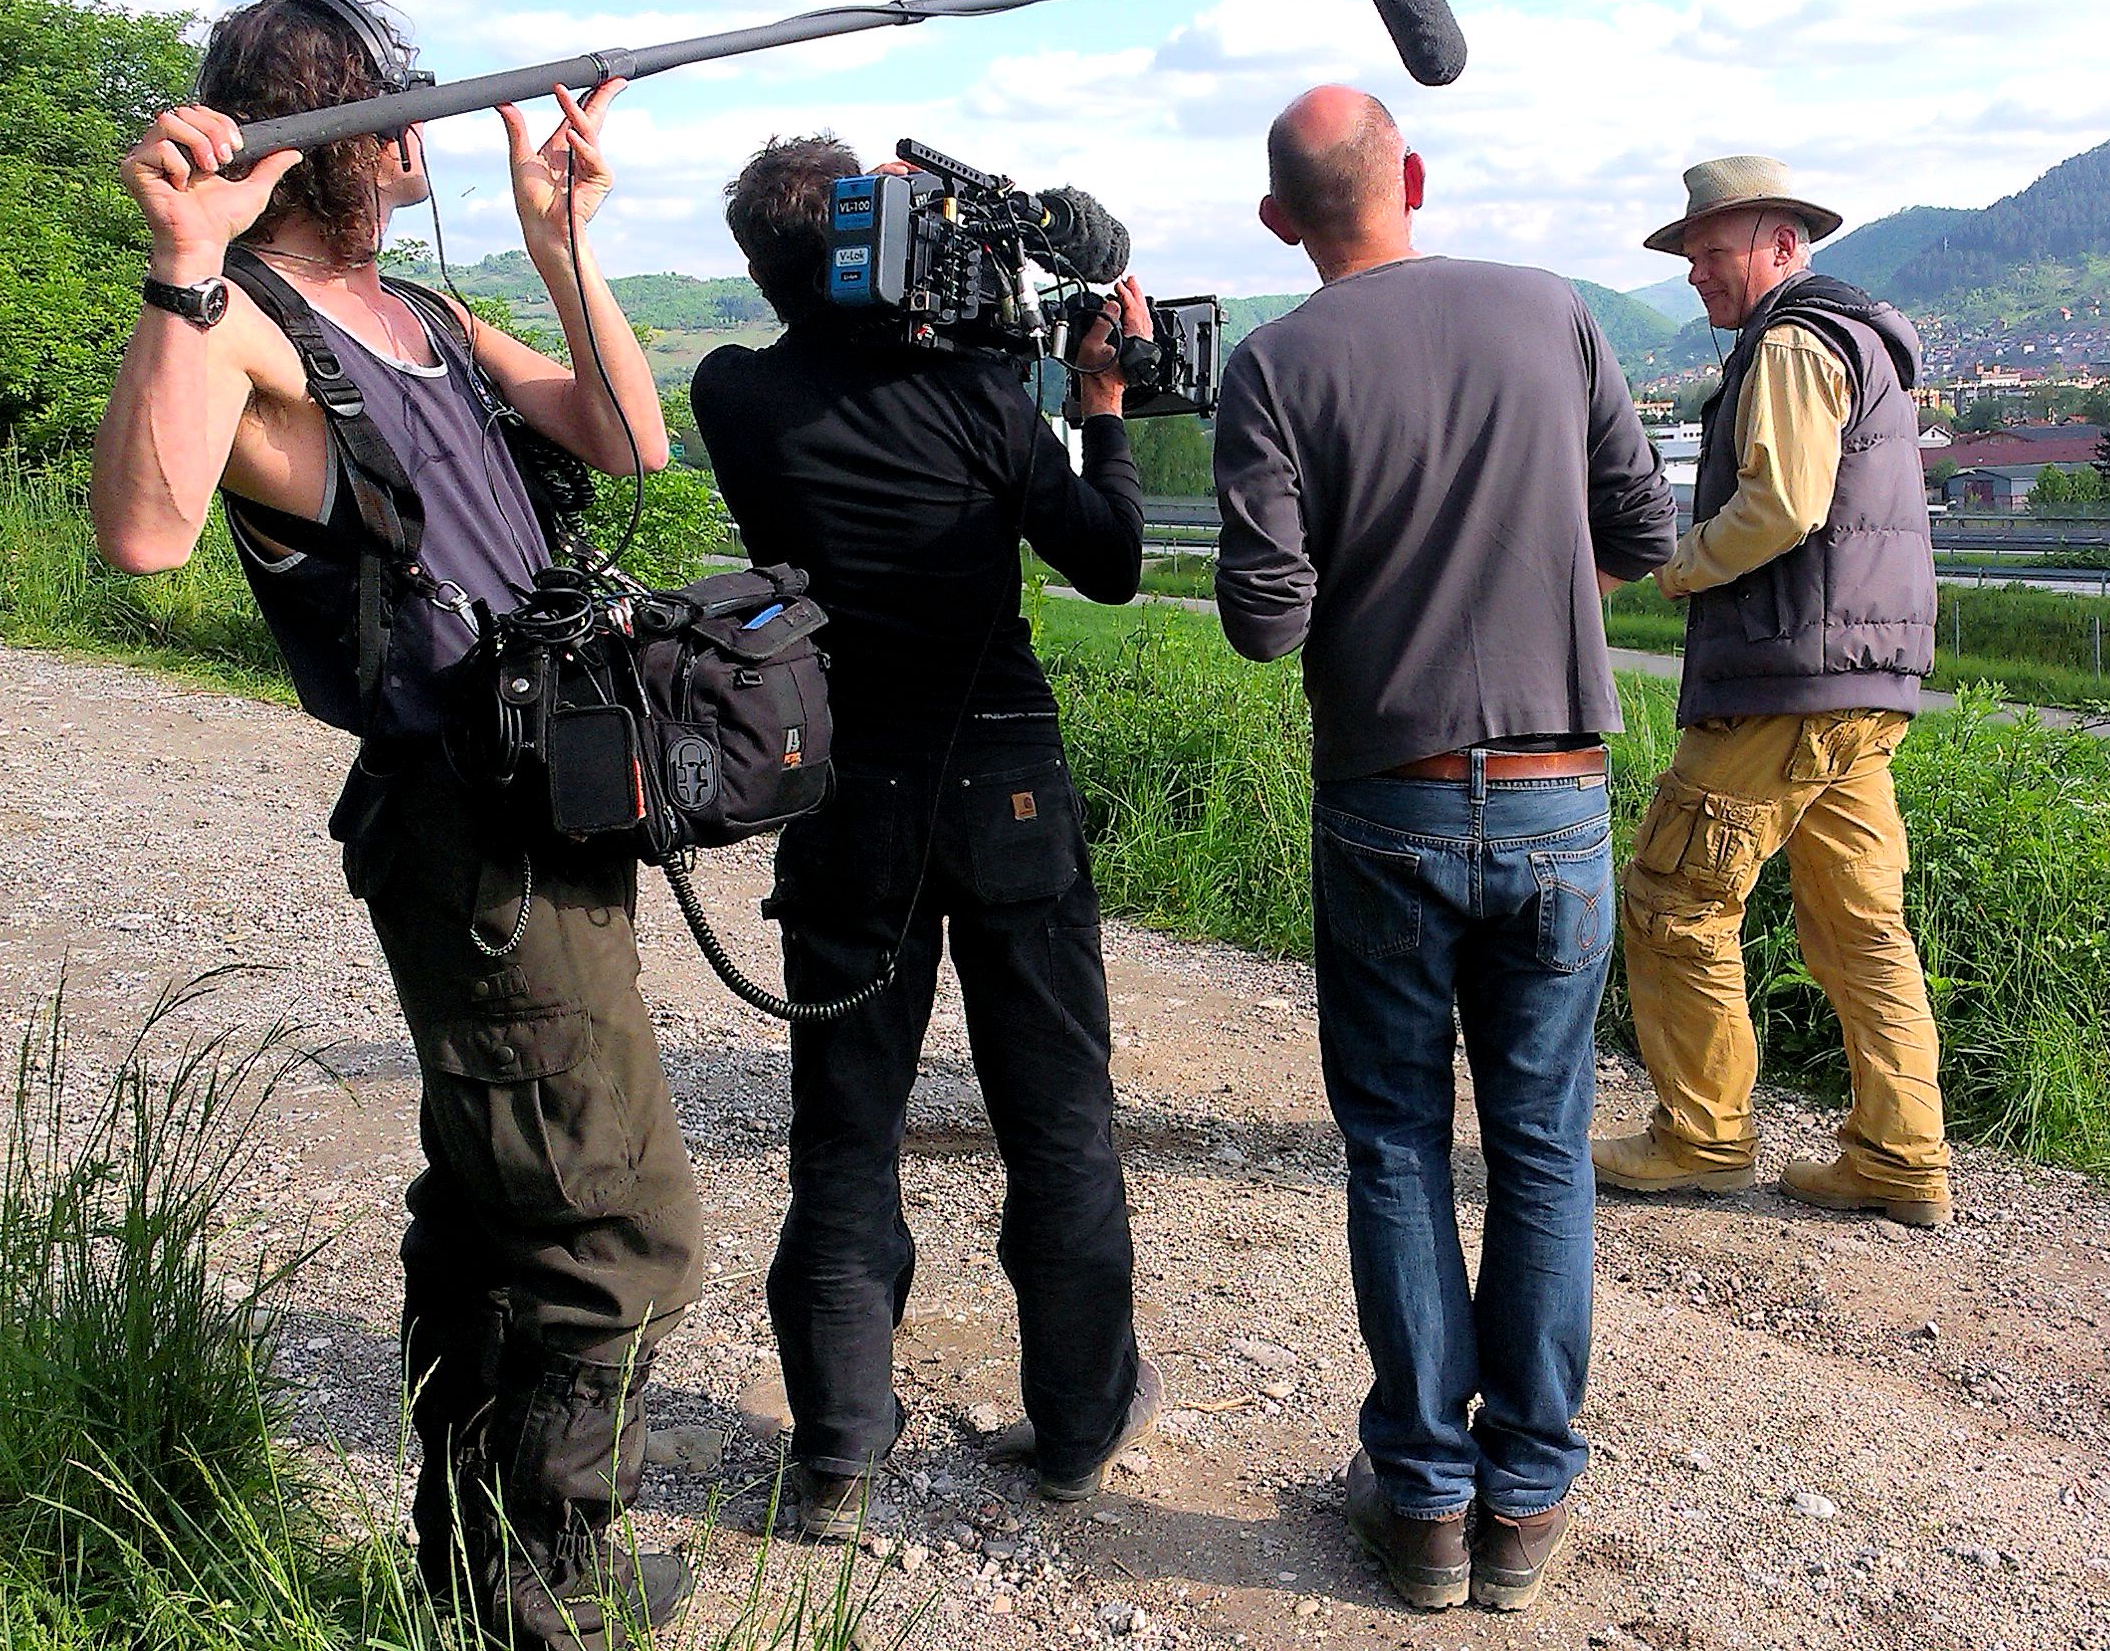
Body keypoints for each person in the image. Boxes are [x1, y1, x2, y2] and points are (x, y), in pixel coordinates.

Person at [90, 0, 691, 1650]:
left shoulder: (420, 307)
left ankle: (475, 1571)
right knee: (618, 1233)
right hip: (462, 827)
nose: (423, 131)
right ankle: (549, 1604)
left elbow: (630, 440)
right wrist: (184, 262)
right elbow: (144, 533)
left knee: (497, 1202)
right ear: (324, 140)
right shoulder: (244, 321)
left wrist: (559, 238)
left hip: (547, 802)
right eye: (392, 106)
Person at [1213, 85, 1679, 1615]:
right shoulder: (1554, 313)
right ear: (1408, 176)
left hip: (1389, 796)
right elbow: (1644, 539)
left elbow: (1264, 623)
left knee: (1399, 1144)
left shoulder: (1274, 366)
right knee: (1540, 1143)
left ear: (1279, 221)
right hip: (1557, 791)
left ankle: (1422, 1500)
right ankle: (1528, 1500)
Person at [685, 136, 1160, 1541]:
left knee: (847, 1126)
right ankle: (1078, 1422)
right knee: (1056, 1118)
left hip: (842, 786)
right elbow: (1111, 560)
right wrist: (1101, 408)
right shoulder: (977, 399)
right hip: (1003, 774)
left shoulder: (735, 393)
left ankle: (838, 1448)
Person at [1591, 156, 1952, 1226]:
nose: (1697, 270)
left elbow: (1784, 505)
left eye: (1714, 249)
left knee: (1674, 894)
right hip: (1862, 680)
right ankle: (1898, 1153)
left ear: (1784, 245)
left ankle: (1701, 1136)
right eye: (1691, 253)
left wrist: (1678, 565)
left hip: (1785, 677)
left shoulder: (1792, 342)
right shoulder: (1860, 339)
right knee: (1858, 920)